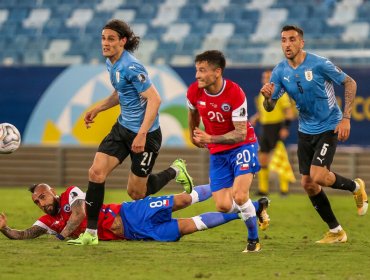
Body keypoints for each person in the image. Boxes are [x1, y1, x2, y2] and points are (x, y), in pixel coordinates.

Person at [69, 19, 194, 245]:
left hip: (146, 135)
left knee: (136, 193)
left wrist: (142, 134)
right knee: (96, 173)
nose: (105, 43)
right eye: (103, 38)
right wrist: (97, 109)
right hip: (121, 129)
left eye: (111, 39)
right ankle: (91, 233)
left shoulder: (131, 66)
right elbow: (121, 93)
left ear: (123, 42)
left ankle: (175, 170)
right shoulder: (111, 64)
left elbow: (155, 99)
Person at [260, 25, 368, 244]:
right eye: (283, 40)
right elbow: (271, 106)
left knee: (319, 176)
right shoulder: (280, 71)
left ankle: (356, 187)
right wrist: (267, 97)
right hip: (305, 130)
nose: (287, 44)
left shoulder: (319, 64)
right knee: (308, 184)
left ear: (302, 42)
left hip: (329, 126)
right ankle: (337, 231)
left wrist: (346, 118)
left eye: (292, 39)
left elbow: (350, 82)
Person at [0, 183, 270, 244]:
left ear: (53, 192)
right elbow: (23, 234)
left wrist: (63, 237)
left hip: (133, 213)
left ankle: (226, 181)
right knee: (195, 225)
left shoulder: (71, 193)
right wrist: (4, 228)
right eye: (37, 201)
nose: (41, 202)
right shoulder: (49, 221)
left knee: (184, 200)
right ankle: (249, 210)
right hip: (137, 234)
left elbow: (80, 214)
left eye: (43, 196)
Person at [187, 50, 264, 252]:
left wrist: (210, 138)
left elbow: (239, 133)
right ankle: (257, 207)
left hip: (243, 146)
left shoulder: (235, 93)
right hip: (218, 152)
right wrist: (192, 134)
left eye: (202, 70)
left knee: (239, 196)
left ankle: (253, 240)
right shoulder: (194, 91)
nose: (197, 75)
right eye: (197, 70)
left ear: (217, 72)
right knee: (222, 205)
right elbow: (193, 113)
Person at [250, 69, 296, 196]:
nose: (266, 79)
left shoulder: (280, 94)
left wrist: (285, 128)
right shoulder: (262, 95)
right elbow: (263, 111)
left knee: (280, 158)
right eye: (264, 77)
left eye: (269, 77)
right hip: (265, 127)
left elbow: (289, 112)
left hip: (277, 127)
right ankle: (263, 189)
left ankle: (284, 189)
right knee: (263, 157)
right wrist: (255, 118)